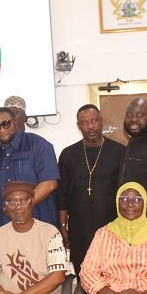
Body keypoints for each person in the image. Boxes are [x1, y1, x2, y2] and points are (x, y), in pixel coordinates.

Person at [57, 104, 126, 276]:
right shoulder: (68, 154)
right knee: (84, 275)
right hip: (80, 229)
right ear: (79, 126)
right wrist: (63, 227)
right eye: (84, 123)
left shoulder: (120, 152)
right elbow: (62, 195)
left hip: (113, 227)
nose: (90, 126)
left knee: (114, 274)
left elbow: (126, 193)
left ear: (101, 122)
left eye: (94, 121)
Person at [0, 107, 59, 228]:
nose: (2, 129)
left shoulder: (38, 145)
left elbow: (50, 183)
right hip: (6, 227)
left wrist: (19, 207)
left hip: (39, 224)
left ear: (14, 122)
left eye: (6, 124)